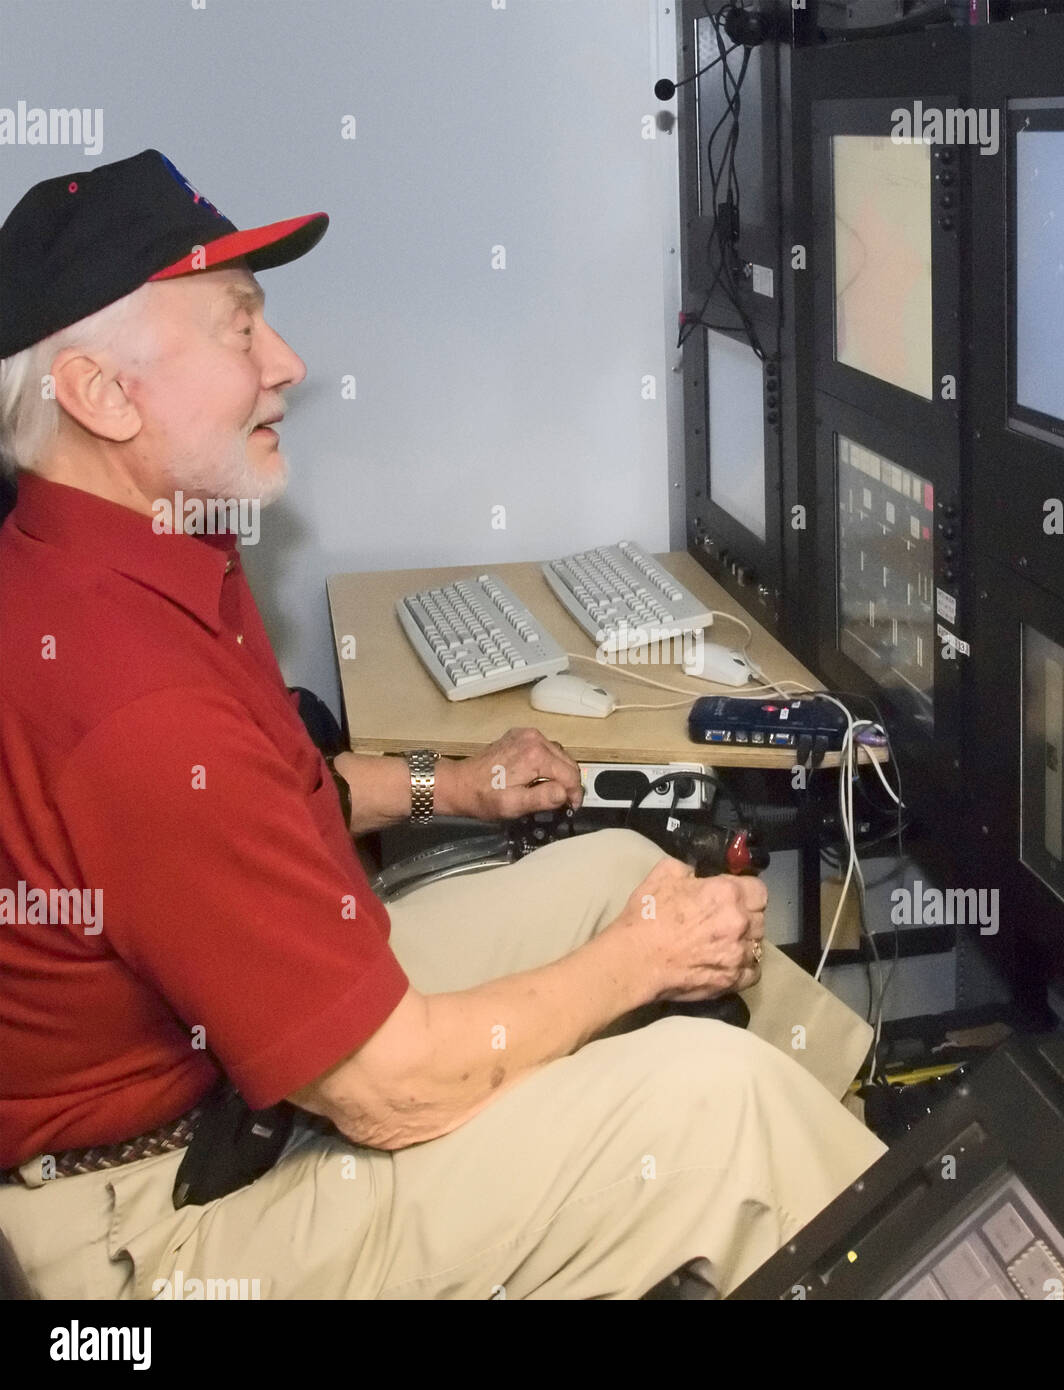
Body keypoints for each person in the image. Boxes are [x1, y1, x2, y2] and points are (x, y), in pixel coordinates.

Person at [0, 150, 885, 1299]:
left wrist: (452, 788)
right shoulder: (136, 702)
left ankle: (870, 1178)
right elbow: (390, 1087)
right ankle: (885, 1225)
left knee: (621, 869)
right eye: (239, 328)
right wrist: (642, 965)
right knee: (713, 1099)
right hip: (160, 1230)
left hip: (227, 1074)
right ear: (101, 394)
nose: (288, 365)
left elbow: (280, 786)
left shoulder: (120, 564)